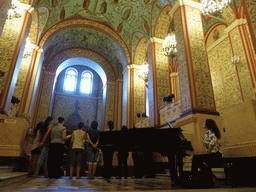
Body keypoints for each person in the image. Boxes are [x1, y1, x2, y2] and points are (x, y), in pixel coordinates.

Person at [191, 119, 222, 187]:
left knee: (195, 158)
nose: (203, 123)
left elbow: (213, 143)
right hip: (211, 153)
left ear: (208, 124)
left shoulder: (212, 132)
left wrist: (208, 152)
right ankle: (211, 176)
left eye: (204, 122)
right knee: (197, 159)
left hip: (215, 154)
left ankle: (194, 175)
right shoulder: (208, 132)